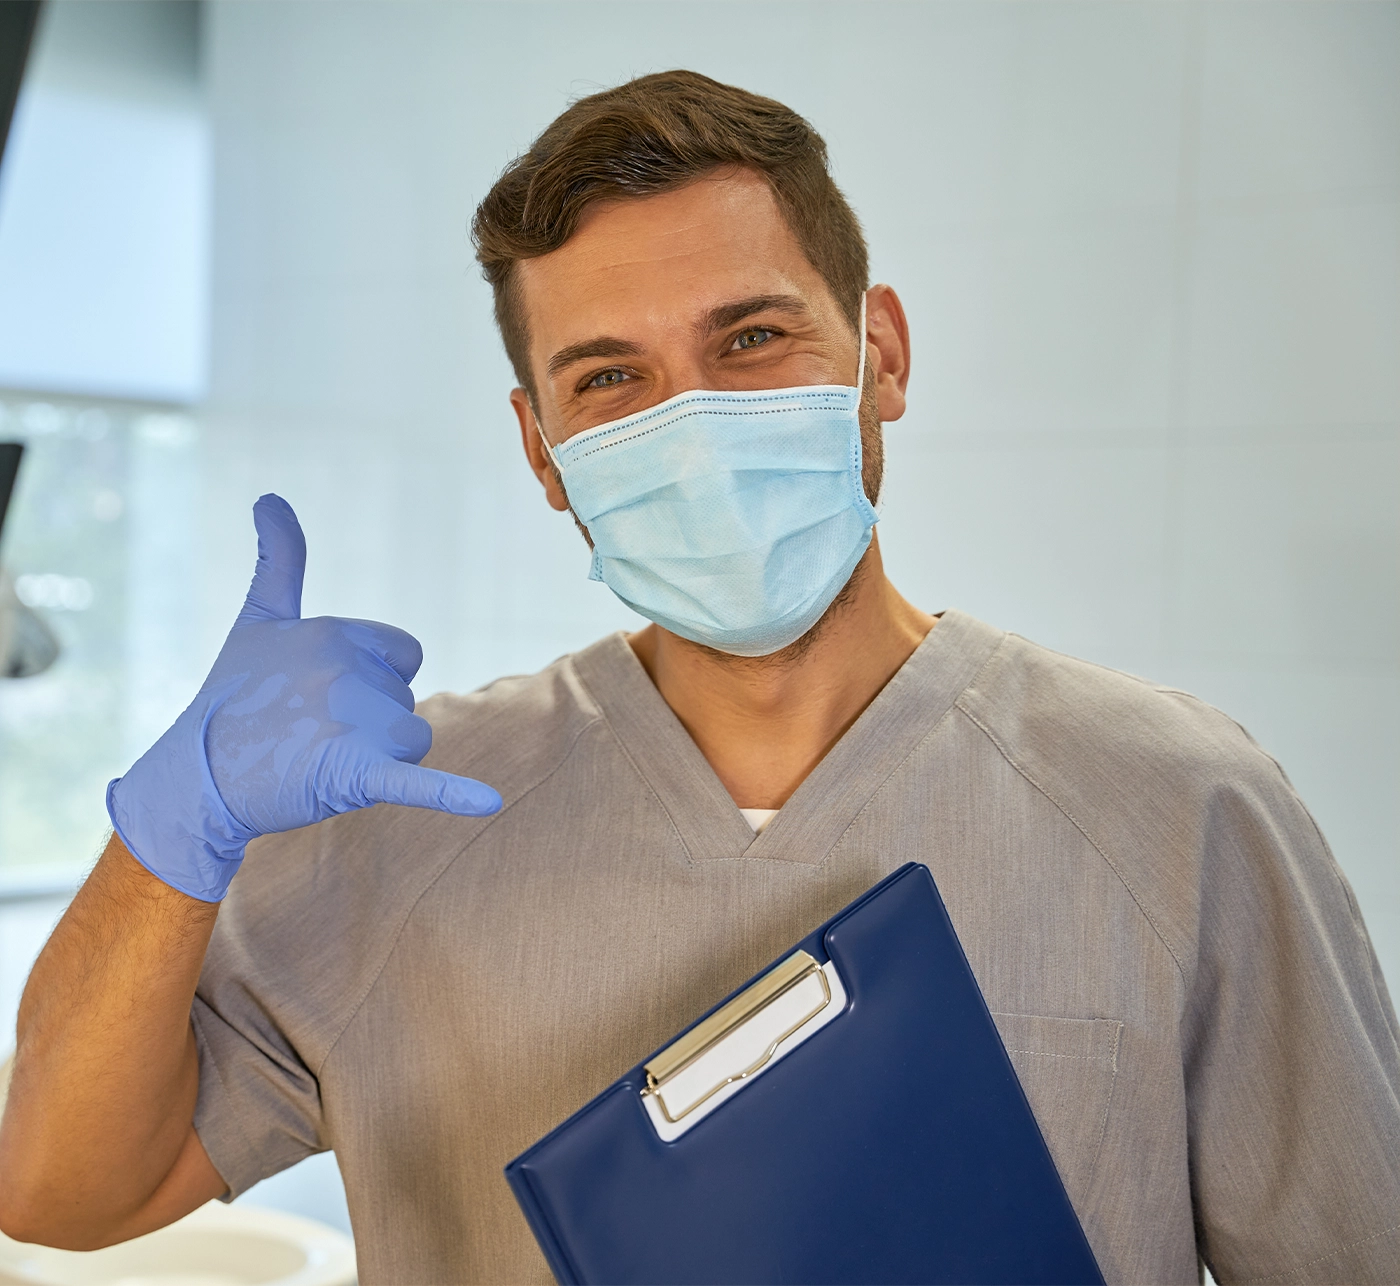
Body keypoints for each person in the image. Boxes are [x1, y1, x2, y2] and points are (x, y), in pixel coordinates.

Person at [1, 70, 1397, 1285]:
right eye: (609, 378)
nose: (694, 422)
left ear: (881, 354)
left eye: (750, 339)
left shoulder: (1176, 803)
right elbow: (64, 1194)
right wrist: (168, 837)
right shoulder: (405, 819)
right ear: (542, 449)